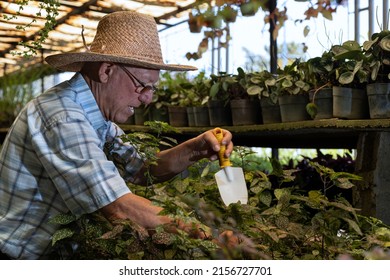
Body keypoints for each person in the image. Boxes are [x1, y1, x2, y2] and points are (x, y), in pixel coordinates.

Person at [0, 11, 234, 260]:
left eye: (152, 89)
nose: (147, 98)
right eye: (142, 85)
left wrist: (196, 148)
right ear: (107, 71)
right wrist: (210, 237)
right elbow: (119, 207)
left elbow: (143, 168)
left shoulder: (98, 120)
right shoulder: (62, 115)